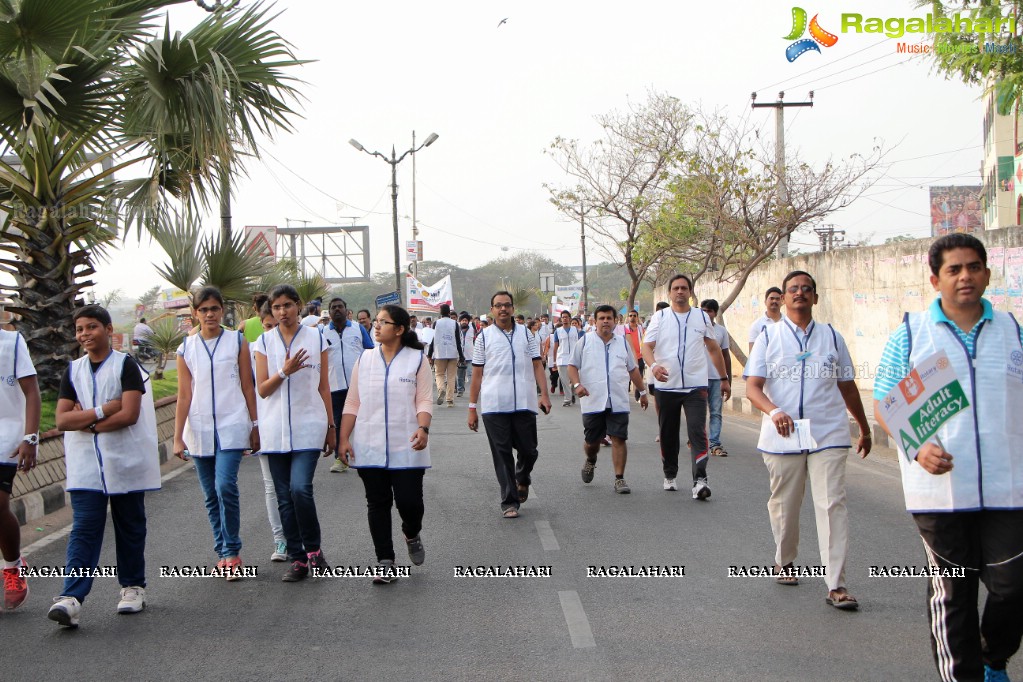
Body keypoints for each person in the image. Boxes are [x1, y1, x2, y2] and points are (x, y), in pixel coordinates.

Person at [874, 234, 1023, 681]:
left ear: (987, 274)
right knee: (953, 595)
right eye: (954, 270)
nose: (965, 277)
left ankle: (993, 657)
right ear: (935, 278)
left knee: (1012, 587)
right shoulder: (910, 334)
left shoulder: (1013, 331)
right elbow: (884, 401)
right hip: (939, 492)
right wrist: (917, 448)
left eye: (973, 267)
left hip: (1009, 487)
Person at [744, 270, 870, 611]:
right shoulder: (769, 337)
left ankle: (837, 584)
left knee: (832, 504)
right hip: (782, 435)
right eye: (793, 289)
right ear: (783, 298)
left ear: (815, 298)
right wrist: (774, 412)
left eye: (806, 289)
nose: (800, 293)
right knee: (785, 505)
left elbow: (847, 385)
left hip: (827, 432)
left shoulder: (832, 337)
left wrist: (863, 425)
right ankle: (785, 560)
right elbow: (753, 387)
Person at [49, 305, 161, 627]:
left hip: (124, 460)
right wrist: (101, 411)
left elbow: (129, 414)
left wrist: (87, 422)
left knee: (129, 525)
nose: (85, 334)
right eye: (80, 329)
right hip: (85, 464)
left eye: (92, 327)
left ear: (109, 330)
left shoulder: (126, 365)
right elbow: (61, 419)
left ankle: (132, 587)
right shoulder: (73, 371)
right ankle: (71, 598)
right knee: (84, 528)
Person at [339, 305, 433, 584]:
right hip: (369, 444)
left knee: (410, 503)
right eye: (375, 322)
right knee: (377, 503)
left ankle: (411, 532)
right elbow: (353, 401)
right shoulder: (364, 359)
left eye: (383, 322)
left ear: (400, 329)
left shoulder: (417, 359)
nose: (376, 327)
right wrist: (343, 437)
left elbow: (424, 399)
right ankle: (385, 561)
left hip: (408, 445)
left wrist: (423, 427)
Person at [172, 287, 260, 580]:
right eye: (204, 309)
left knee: (225, 486)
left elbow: (248, 386)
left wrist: (255, 424)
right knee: (211, 495)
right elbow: (184, 395)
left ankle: (233, 553)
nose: (210, 314)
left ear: (223, 310)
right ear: (195, 313)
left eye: (214, 308)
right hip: (198, 428)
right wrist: (177, 436)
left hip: (232, 425)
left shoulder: (236, 341)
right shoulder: (186, 348)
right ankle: (222, 552)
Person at [253, 284, 334, 582]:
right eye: (276, 307)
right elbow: (262, 389)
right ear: (270, 311)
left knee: (300, 488)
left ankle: (313, 549)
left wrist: (331, 427)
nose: (282, 311)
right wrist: (284, 370)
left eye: (287, 305)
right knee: (284, 497)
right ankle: (298, 559)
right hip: (274, 429)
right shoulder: (263, 342)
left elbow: (324, 386)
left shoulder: (317, 338)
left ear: (298, 306)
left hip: (309, 424)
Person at [642, 275, 729, 500]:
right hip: (666, 386)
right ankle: (670, 474)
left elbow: (713, 349)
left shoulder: (701, 317)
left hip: (695, 386)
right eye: (675, 288)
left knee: (698, 432)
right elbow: (647, 347)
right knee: (668, 434)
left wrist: (723, 378)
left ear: (690, 292)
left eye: (684, 288)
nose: (680, 292)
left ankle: (700, 480)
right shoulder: (660, 317)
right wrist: (654, 367)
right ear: (669, 293)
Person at [468, 292, 552, 518]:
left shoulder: (526, 334)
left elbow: (537, 365)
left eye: (506, 305)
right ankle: (509, 501)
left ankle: (522, 477)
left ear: (513, 308)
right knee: (502, 453)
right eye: (498, 306)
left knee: (529, 450)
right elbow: (477, 374)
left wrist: (544, 394)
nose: (503, 309)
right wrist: (472, 407)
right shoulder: (483, 337)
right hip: (494, 405)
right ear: (492, 309)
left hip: (524, 402)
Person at [566, 305, 648, 494]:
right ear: (595, 321)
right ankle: (591, 459)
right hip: (592, 400)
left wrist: (642, 392)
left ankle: (619, 478)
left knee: (619, 438)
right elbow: (572, 366)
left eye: (609, 318)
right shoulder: (585, 341)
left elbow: (632, 369)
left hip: (617, 400)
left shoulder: (622, 343)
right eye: (601, 318)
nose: (605, 321)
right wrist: (577, 385)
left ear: (615, 321)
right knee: (592, 442)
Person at [0, 326, 40, 610]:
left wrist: (31, 436)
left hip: (6, 436)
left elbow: (32, 391)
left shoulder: (12, 342)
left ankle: (13, 565)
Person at [253, 303, 288, 562]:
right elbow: (253, 390)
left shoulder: (300, 343)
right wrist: (253, 425)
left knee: (296, 487)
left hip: (294, 425)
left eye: (276, 324)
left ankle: (298, 538)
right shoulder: (257, 346)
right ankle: (280, 540)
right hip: (266, 424)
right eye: (268, 325)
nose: (273, 329)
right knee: (271, 487)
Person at [324, 296, 374, 473]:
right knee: (338, 423)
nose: (337, 310)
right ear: (329, 312)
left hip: (359, 385)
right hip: (334, 386)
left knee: (364, 420)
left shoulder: (358, 329)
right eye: (333, 308)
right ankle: (340, 459)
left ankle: (367, 455)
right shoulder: (322, 333)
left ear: (346, 310)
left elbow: (370, 352)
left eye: (340, 307)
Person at [700, 299, 732, 457]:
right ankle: (697, 440)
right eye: (703, 310)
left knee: (716, 412)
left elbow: (725, 356)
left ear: (715, 313)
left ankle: (715, 444)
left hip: (716, 379)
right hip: (697, 379)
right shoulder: (694, 330)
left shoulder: (721, 332)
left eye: (709, 311)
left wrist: (726, 379)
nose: (706, 313)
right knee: (698, 413)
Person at [429, 304, 462, 408]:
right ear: (449, 312)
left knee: (439, 374)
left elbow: (432, 340)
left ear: (440, 312)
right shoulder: (455, 324)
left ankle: (441, 389)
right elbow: (458, 340)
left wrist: (429, 354)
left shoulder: (436, 323)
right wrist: (461, 355)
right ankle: (450, 400)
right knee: (451, 376)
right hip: (452, 353)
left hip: (439, 353)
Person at [553, 311, 582, 407]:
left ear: (570, 318)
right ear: (561, 319)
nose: (564, 319)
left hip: (573, 358)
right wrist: (554, 361)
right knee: (564, 380)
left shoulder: (575, 330)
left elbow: (579, 344)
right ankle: (567, 399)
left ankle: (572, 393)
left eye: (566, 317)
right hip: (562, 358)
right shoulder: (558, 331)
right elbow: (556, 346)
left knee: (574, 379)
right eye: (563, 317)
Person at [748, 287, 783, 352]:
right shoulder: (756, 325)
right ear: (765, 302)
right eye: (771, 298)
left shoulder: (789, 322)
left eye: (778, 299)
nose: (774, 301)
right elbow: (752, 354)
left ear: (782, 302)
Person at [623, 310, 645, 401]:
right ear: (628, 317)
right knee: (627, 375)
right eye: (630, 315)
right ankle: (625, 391)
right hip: (628, 356)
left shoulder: (641, 328)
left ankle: (637, 393)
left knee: (639, 375)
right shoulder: (624, 328)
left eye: (634, 315)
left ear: (637, 317)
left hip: (639, 356)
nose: (632, 317)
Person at [455, 312, 476, 397]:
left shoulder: (472, 329)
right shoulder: (457, 329)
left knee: (470, 374)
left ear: (468, 322)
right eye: (463, 320)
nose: (464, 322)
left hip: (470, 355)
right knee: (460, 375)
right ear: (460, 321)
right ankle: (460, 390)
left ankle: (473, 390)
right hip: (460, 356)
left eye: (466, 320)